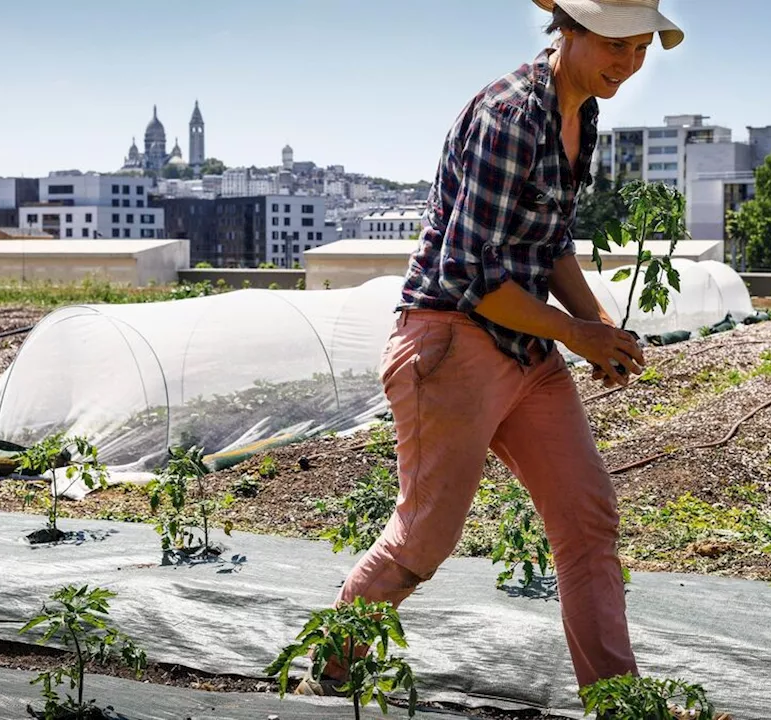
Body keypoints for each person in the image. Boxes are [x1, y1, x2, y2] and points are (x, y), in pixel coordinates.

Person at [300, 0, 704, 709]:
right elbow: (472, 273)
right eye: (615, 44)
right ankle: (327, 675)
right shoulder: (510, 115)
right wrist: (575, 335)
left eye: (641, 47)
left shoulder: (583, 116)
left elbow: (549, 247)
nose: (628, 63)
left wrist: (599, 325)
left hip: (525, 349)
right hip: (451, 340)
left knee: (588, 520)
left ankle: (617, 701)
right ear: (570, 30)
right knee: (424, 539)